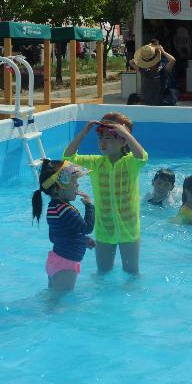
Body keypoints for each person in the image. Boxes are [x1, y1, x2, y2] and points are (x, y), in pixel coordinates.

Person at [63, 112, 148, 274]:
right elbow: (68, 157)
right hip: (104, 230)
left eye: (108, 138)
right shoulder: (95, 163)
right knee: (103, 272)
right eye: (100, 138)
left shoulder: (131, 163)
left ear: (123, 141)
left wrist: (125, 133)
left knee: (131, 272)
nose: (102, 142)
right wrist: (83, 133)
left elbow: (142, 157)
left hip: (128, 230)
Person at [31, 159, 95, 292]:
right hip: (66, 265)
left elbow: (56, 237)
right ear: (58, 187)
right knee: (60, 305)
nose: (77, 185)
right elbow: (87, 228)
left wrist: (82, 240)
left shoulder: (53, 208)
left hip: (55, 260)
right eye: (74, 181)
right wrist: (89, 205)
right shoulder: (66, 209)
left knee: (52, 300)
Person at [130, 40, 176, 106]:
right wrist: (144, 54)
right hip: (147, 103)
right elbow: (131, 62)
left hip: (160, 103)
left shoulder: (163, 71)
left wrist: (162, 51)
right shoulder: (145, 71)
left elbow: (172, 60)